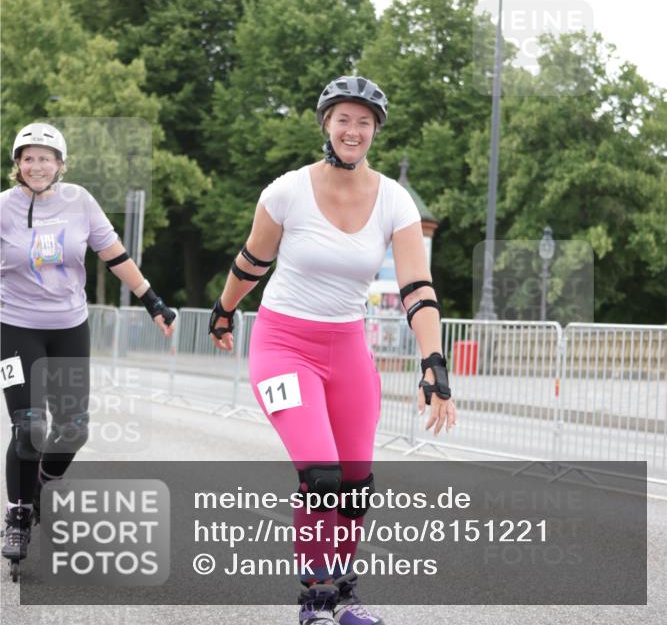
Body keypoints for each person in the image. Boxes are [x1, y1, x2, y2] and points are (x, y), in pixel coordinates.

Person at [210, 77, 456, 625]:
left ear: (375, 131)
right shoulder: (287, 191)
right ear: (326, 123)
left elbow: (417, 287)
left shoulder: (394, 199)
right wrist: (224, 311)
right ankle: (314, 600)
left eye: (364, 122)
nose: (353, 130)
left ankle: (343, 593)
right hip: (282, 343)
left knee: (354, 485)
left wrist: (433, 362)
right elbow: (252, 262)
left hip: (346, 346)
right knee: (319, 475)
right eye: (344, 118)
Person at [0, 122, 176, 573]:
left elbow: (113, 254)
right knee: (30, 425)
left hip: (68, 327)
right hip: (14, 329)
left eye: (45, 157)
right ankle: (18, 512)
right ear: (17, 165)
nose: (36, 165)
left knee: (74, 428)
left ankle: (39, 483)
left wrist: (153, 301)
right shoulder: (3, 208)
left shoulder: (79, 201)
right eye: (28, 157)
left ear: (60, 164)